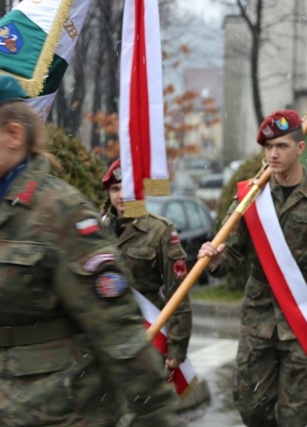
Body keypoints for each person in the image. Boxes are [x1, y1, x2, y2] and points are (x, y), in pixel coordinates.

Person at [0, 75, 179, 425]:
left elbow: (118, 332)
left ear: (13, 136)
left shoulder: (61, 212)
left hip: (59, 410)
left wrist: (155, 412)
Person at [198, 109, 307, 426]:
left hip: (304, 315)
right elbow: (232, 254)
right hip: (258, 316)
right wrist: (217, 261)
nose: (273, 153)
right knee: (250, 406)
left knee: (294, 416)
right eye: (268, 146)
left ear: (300, 148)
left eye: (282, 146)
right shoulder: (250, 198)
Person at [101, 159, 192, 371]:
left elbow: (177, 293)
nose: (121, 195)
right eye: (115, 189)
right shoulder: (97, 230)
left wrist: (177, 345)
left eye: (127, 187)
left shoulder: (160, 230)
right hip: (107, 335)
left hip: (147, 333)